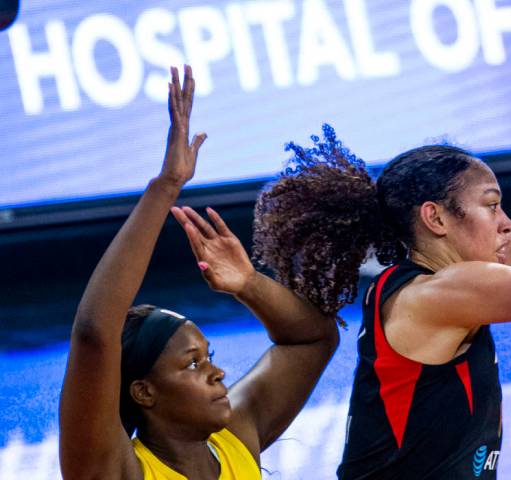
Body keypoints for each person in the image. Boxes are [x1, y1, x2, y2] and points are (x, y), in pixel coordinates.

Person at [252, 19, 511, 479]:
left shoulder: (449, 275)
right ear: (435, 218)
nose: (507, 223)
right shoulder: (436, 296)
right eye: (491, 206)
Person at [59, 65, 338, 480]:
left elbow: (313, 337)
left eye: (208, 357)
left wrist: (249, 284)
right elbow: (96, 333)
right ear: (143, 392)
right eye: (192, 364)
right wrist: (166, 186)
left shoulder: (236, 437)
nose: (217, 372)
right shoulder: (116, 470)